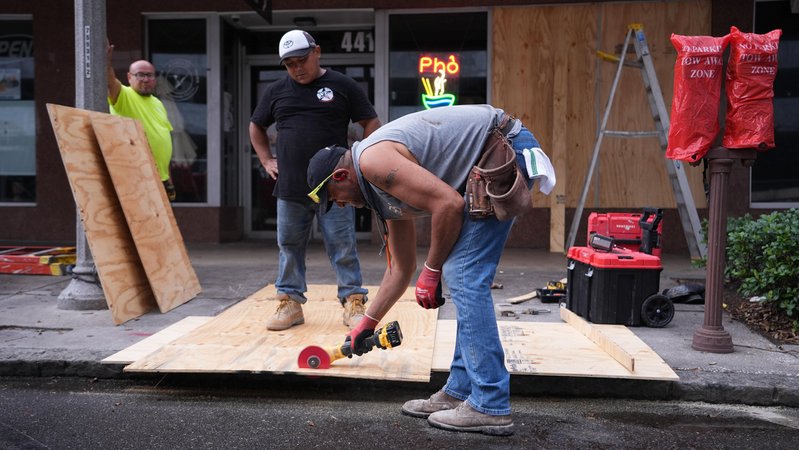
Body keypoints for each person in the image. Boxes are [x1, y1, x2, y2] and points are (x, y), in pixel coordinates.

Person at [306, 104, 553, 436]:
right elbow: (402, 268)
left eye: (333, 197)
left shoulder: (373, 162)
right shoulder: (378, 190)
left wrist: (433, 269)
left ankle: (490, 404)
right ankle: (460, 392)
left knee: (463, 275)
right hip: (483, 158)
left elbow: (448, 204)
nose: (338, 205)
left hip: (500, 149)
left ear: (340, 176)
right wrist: (367, 324)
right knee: (461, 274)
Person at [249, 29, 381, 331]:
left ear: (317, 52)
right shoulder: (275, 91)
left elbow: (371, 121)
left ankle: (353, 303)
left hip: (335, 188)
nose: (297, 68)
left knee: (342, 244)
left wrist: (358, 159)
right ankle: (290, 302)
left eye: (302, 60)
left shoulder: (342, 85)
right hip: (291, 186)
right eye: (289, 63)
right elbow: (256, 125)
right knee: (289, 244)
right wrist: (266, 159)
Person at [106, 41, 176, 201]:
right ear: (129, 77)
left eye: (149, 75)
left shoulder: (158, 103)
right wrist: (106, 62)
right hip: (137, 178)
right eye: (140, 75)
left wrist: (169, 181)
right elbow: (110, 83)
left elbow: (163, 142)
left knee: (159, 226)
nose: (145, 79)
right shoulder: (124, 95)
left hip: (160, 179)